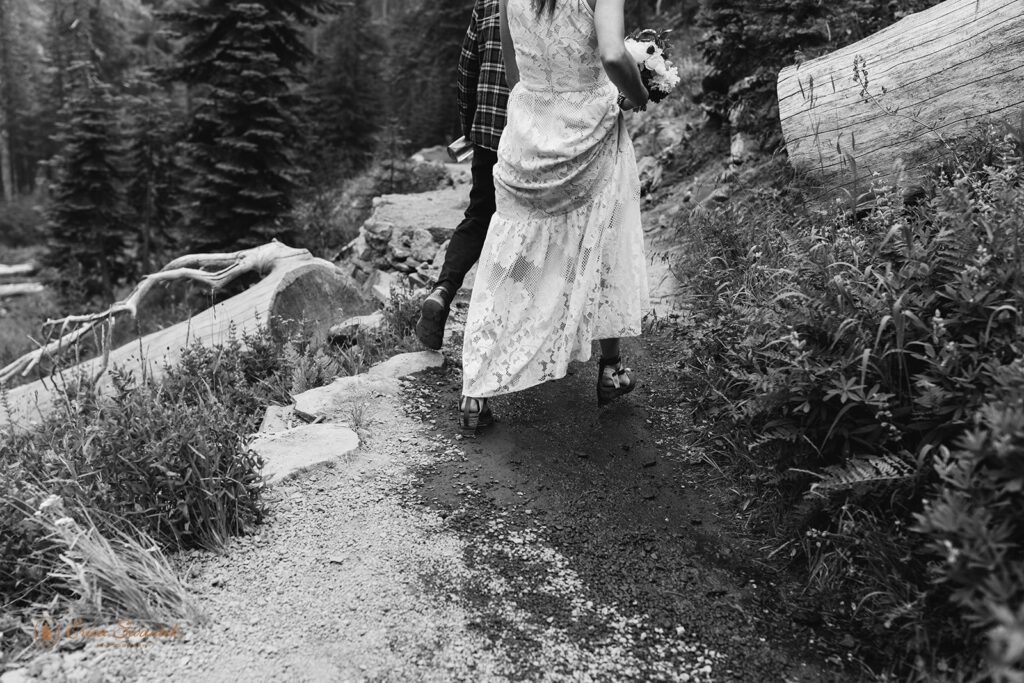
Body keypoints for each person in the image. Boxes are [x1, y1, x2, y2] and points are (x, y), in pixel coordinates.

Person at [458, 0, 650, 432]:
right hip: (590, 132)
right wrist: (637, 94)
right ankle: (611, 368)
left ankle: (476, 388)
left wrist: (539, 113)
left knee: (506, 257)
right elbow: (614, 55)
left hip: (528, 134)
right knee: (603, 239)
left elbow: (514, 74)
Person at [415, 0, 510, 351]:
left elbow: (466, 70)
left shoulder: (487, 3)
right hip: (531, 134)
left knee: (478, 215)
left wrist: (470, 126)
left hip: (486, 132)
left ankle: (443, 290)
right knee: (523, 225)